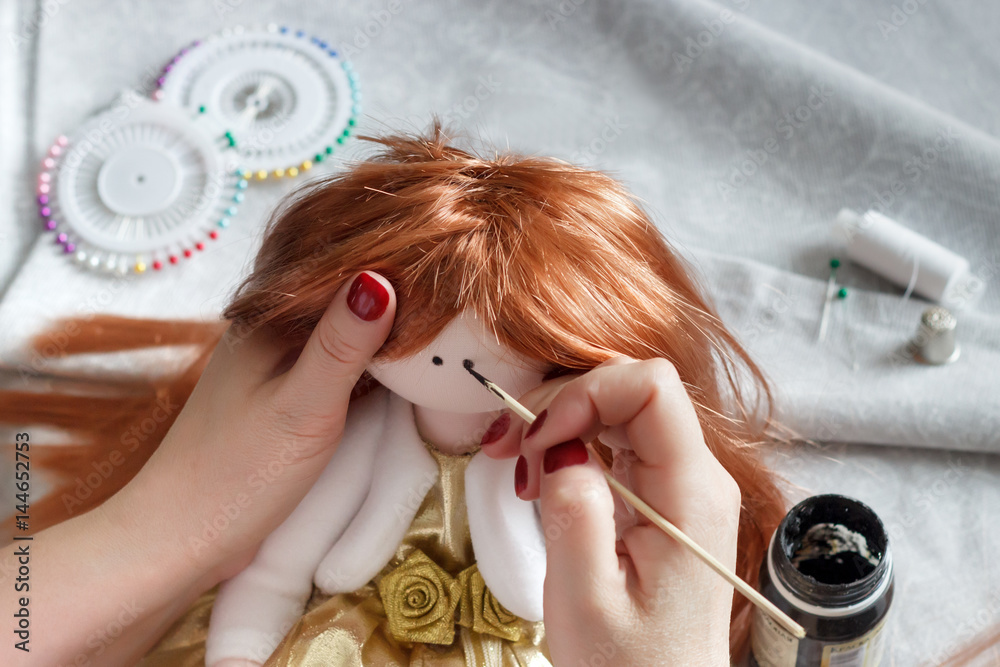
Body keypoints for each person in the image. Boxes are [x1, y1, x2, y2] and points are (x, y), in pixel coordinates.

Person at [0, 125, 788, 666]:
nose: (462, 375)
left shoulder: (547, 469)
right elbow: (285, 561)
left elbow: (525, 581)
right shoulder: (359, 435)